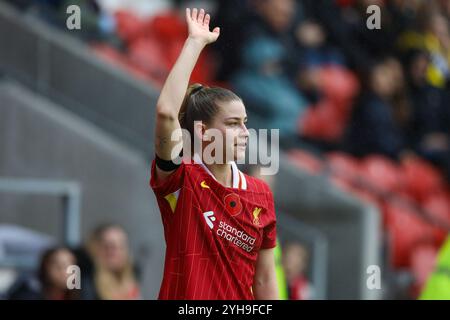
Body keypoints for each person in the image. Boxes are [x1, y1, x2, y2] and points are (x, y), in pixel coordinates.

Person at [150, 8, 279, 300]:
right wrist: (194, 44)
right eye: (233, 124)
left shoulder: (260, 193)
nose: (244, 132)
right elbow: (166, 111)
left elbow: (265, 278)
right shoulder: (182, 178)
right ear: (203, 132)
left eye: (245, 123)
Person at [85, 224, 141, 300]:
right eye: (109, 247)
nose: (116, 252)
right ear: (96, 249)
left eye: (121, 246)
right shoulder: (87, 284)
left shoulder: (132, 277)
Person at [8, 247, 79, 300]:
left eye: (71, 266)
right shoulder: (28, 292)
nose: (65, 272)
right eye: (59, 266)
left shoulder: (79, 293)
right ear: (45, 267)